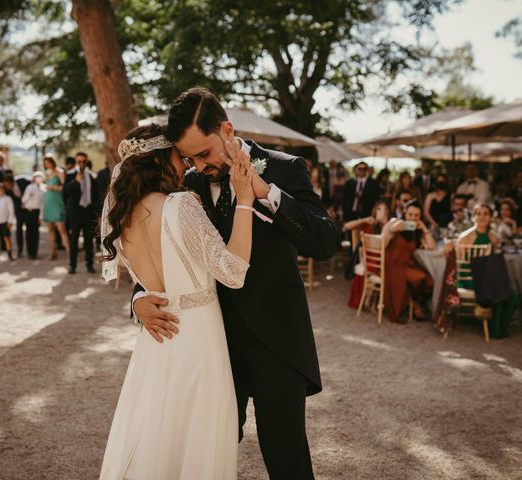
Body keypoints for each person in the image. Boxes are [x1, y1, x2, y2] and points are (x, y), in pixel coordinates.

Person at [132, 88, 339, 479]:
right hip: (211, 344)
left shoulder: (283, 168)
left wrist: (263, 193)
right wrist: (140, 296)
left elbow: (325, 243)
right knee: (208, 453)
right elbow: (158, 249)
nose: (197, 165)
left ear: (227, 130)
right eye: (189, 157)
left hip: (276, 343)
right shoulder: (185, 185)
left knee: (285, 454)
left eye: (204, 154)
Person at [99, 123, 255, 479]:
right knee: (197, 436)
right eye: (178, 156)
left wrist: (138, 302)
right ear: (158, 158)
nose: (185, 164)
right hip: (199, 341)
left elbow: (143, 284)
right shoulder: (180, 204)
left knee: (158, 431)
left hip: (156, 341)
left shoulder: (120, 219)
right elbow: (232, 272)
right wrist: (245, 201)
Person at [456, 204, 519, 338]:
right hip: (468, 280)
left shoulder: (493, 237)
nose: (482, 217)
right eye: (478, 213)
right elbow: (460, 264)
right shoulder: (466, 237)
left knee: (512, 296)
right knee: (499, 289)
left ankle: (498, 328)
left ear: (491, 217)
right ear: (473, 217)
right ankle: (495, 331)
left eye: (486, 214)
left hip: (486, 279)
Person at [382, 200, 436, 323]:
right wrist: (391, 231)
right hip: (393, 265)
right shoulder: (394, 222)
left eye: (416, 215)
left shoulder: (416, 230)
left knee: (429, 280)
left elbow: (432, 247)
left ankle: (415, 304)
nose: (413, 218)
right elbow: (382, 244)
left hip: (407, 264)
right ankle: (415, 306)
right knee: (420, 277)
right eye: (410, 214)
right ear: (404, 213)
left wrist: (424, 229)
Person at [344, 200, 390, 309]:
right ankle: (368, 300)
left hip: (384, 259)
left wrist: (386, 224)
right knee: (370, 265)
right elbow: (347, 226)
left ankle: (376, 301)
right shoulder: (370, 225)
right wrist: (364, 220)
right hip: (369, 260)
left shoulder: (390, 226)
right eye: (379, 209)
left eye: (384, 209)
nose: (381, 212)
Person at [65, 151, 98, 273]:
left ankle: (89, 264)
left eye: (84, 161)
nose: (82, 163)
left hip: (88, 212)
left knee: (89, 241)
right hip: (75, 213)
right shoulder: (70, 175)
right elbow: (65, 192)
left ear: (87, 161)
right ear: (76, 161)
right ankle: (72, 265)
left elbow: (95, 196)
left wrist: (97, 213)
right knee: (74, 240)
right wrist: (76, 182)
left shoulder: (91, 176)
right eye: (79, 161)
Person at [42, 155, 70, 260]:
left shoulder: (60, 172)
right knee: (50, 230)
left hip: (57, 204)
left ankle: (69, 255)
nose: (47, 164)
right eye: (45, 163)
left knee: (62, 230)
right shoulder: (47, 175)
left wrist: (53, 187)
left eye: (48, 162)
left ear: (53, 162)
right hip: (48, 203)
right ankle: (53, 253)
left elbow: (65, 188)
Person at [21, 171, 45, 259]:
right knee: (28, 232)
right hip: (28, 211)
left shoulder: (43, 189)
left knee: (35, 233)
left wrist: (41, 217)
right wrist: (29, 196)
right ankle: (29, 252)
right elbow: (23, 200)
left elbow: (43, 205)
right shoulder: (29, 187)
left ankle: (35, 252)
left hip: (36, 212)